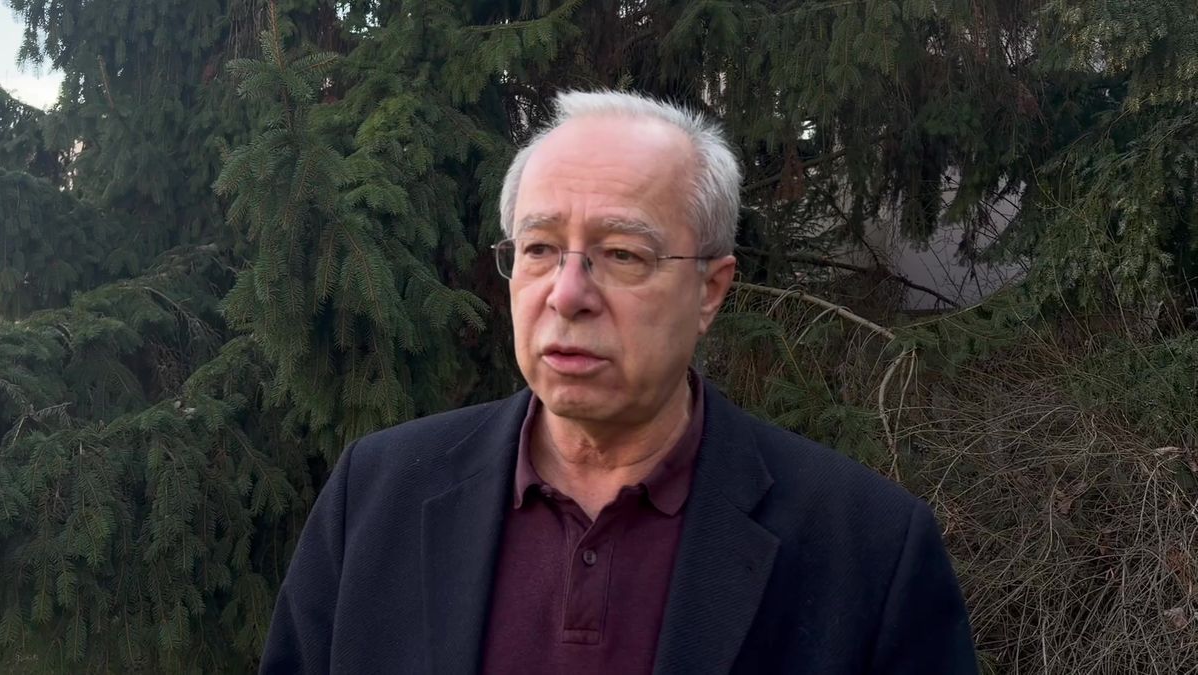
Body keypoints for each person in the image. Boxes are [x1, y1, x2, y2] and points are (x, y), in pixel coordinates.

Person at [259, 90, 977, 674]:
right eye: (540, 249)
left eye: (623, 254)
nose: (567, 293)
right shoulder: (376, 494)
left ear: (710, 290)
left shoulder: (867, 548)